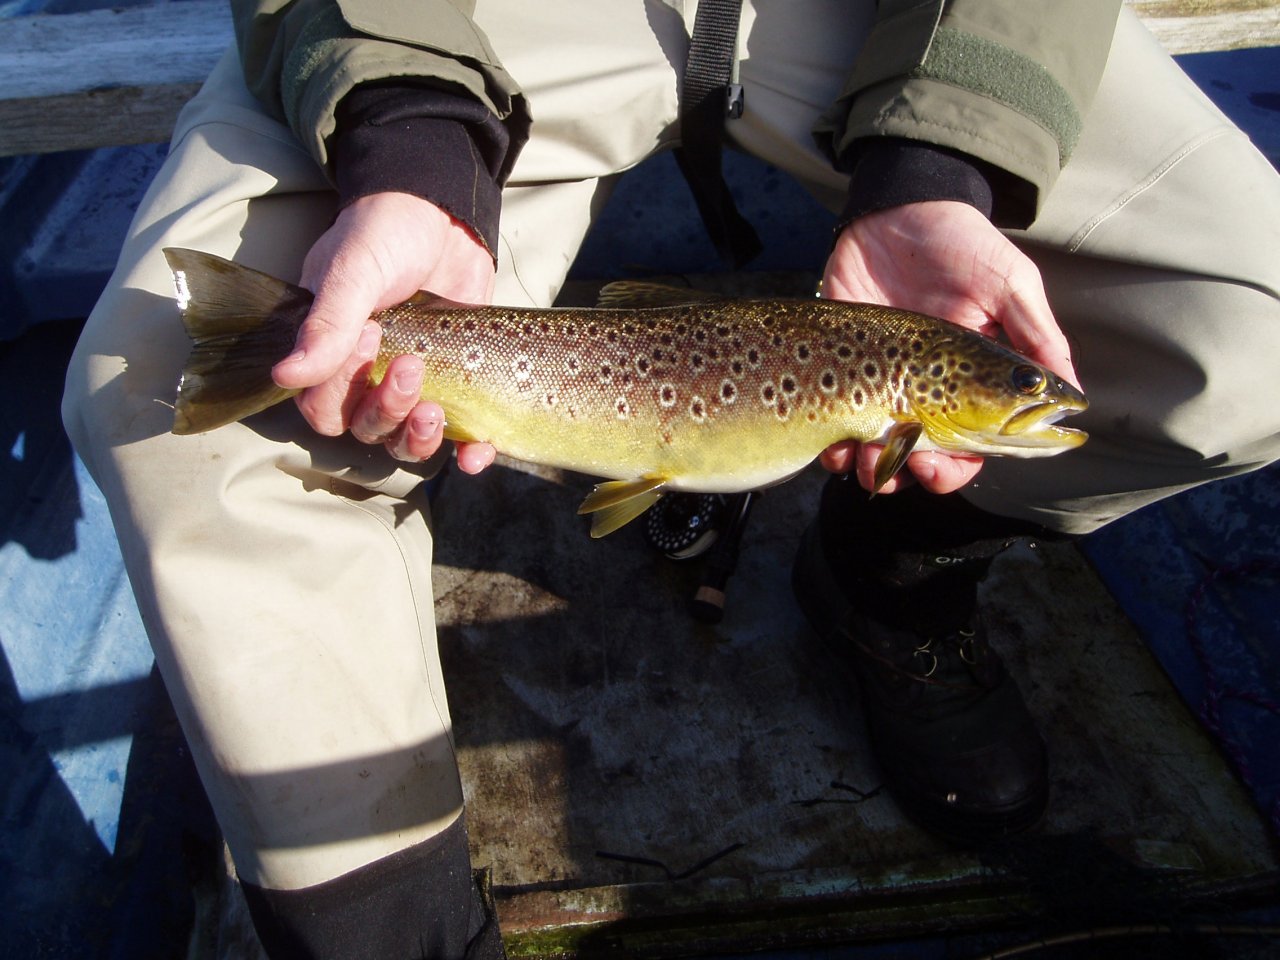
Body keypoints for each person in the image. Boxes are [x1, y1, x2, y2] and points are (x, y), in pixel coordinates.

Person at [61, 0, 1280, 956]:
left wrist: (945, 159)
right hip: (465, 18)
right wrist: (409, 139)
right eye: (1013, 395)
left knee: (1253, 345)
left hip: (921, 17)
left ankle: (890, 582)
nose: (1031, 403)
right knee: (170, 421)